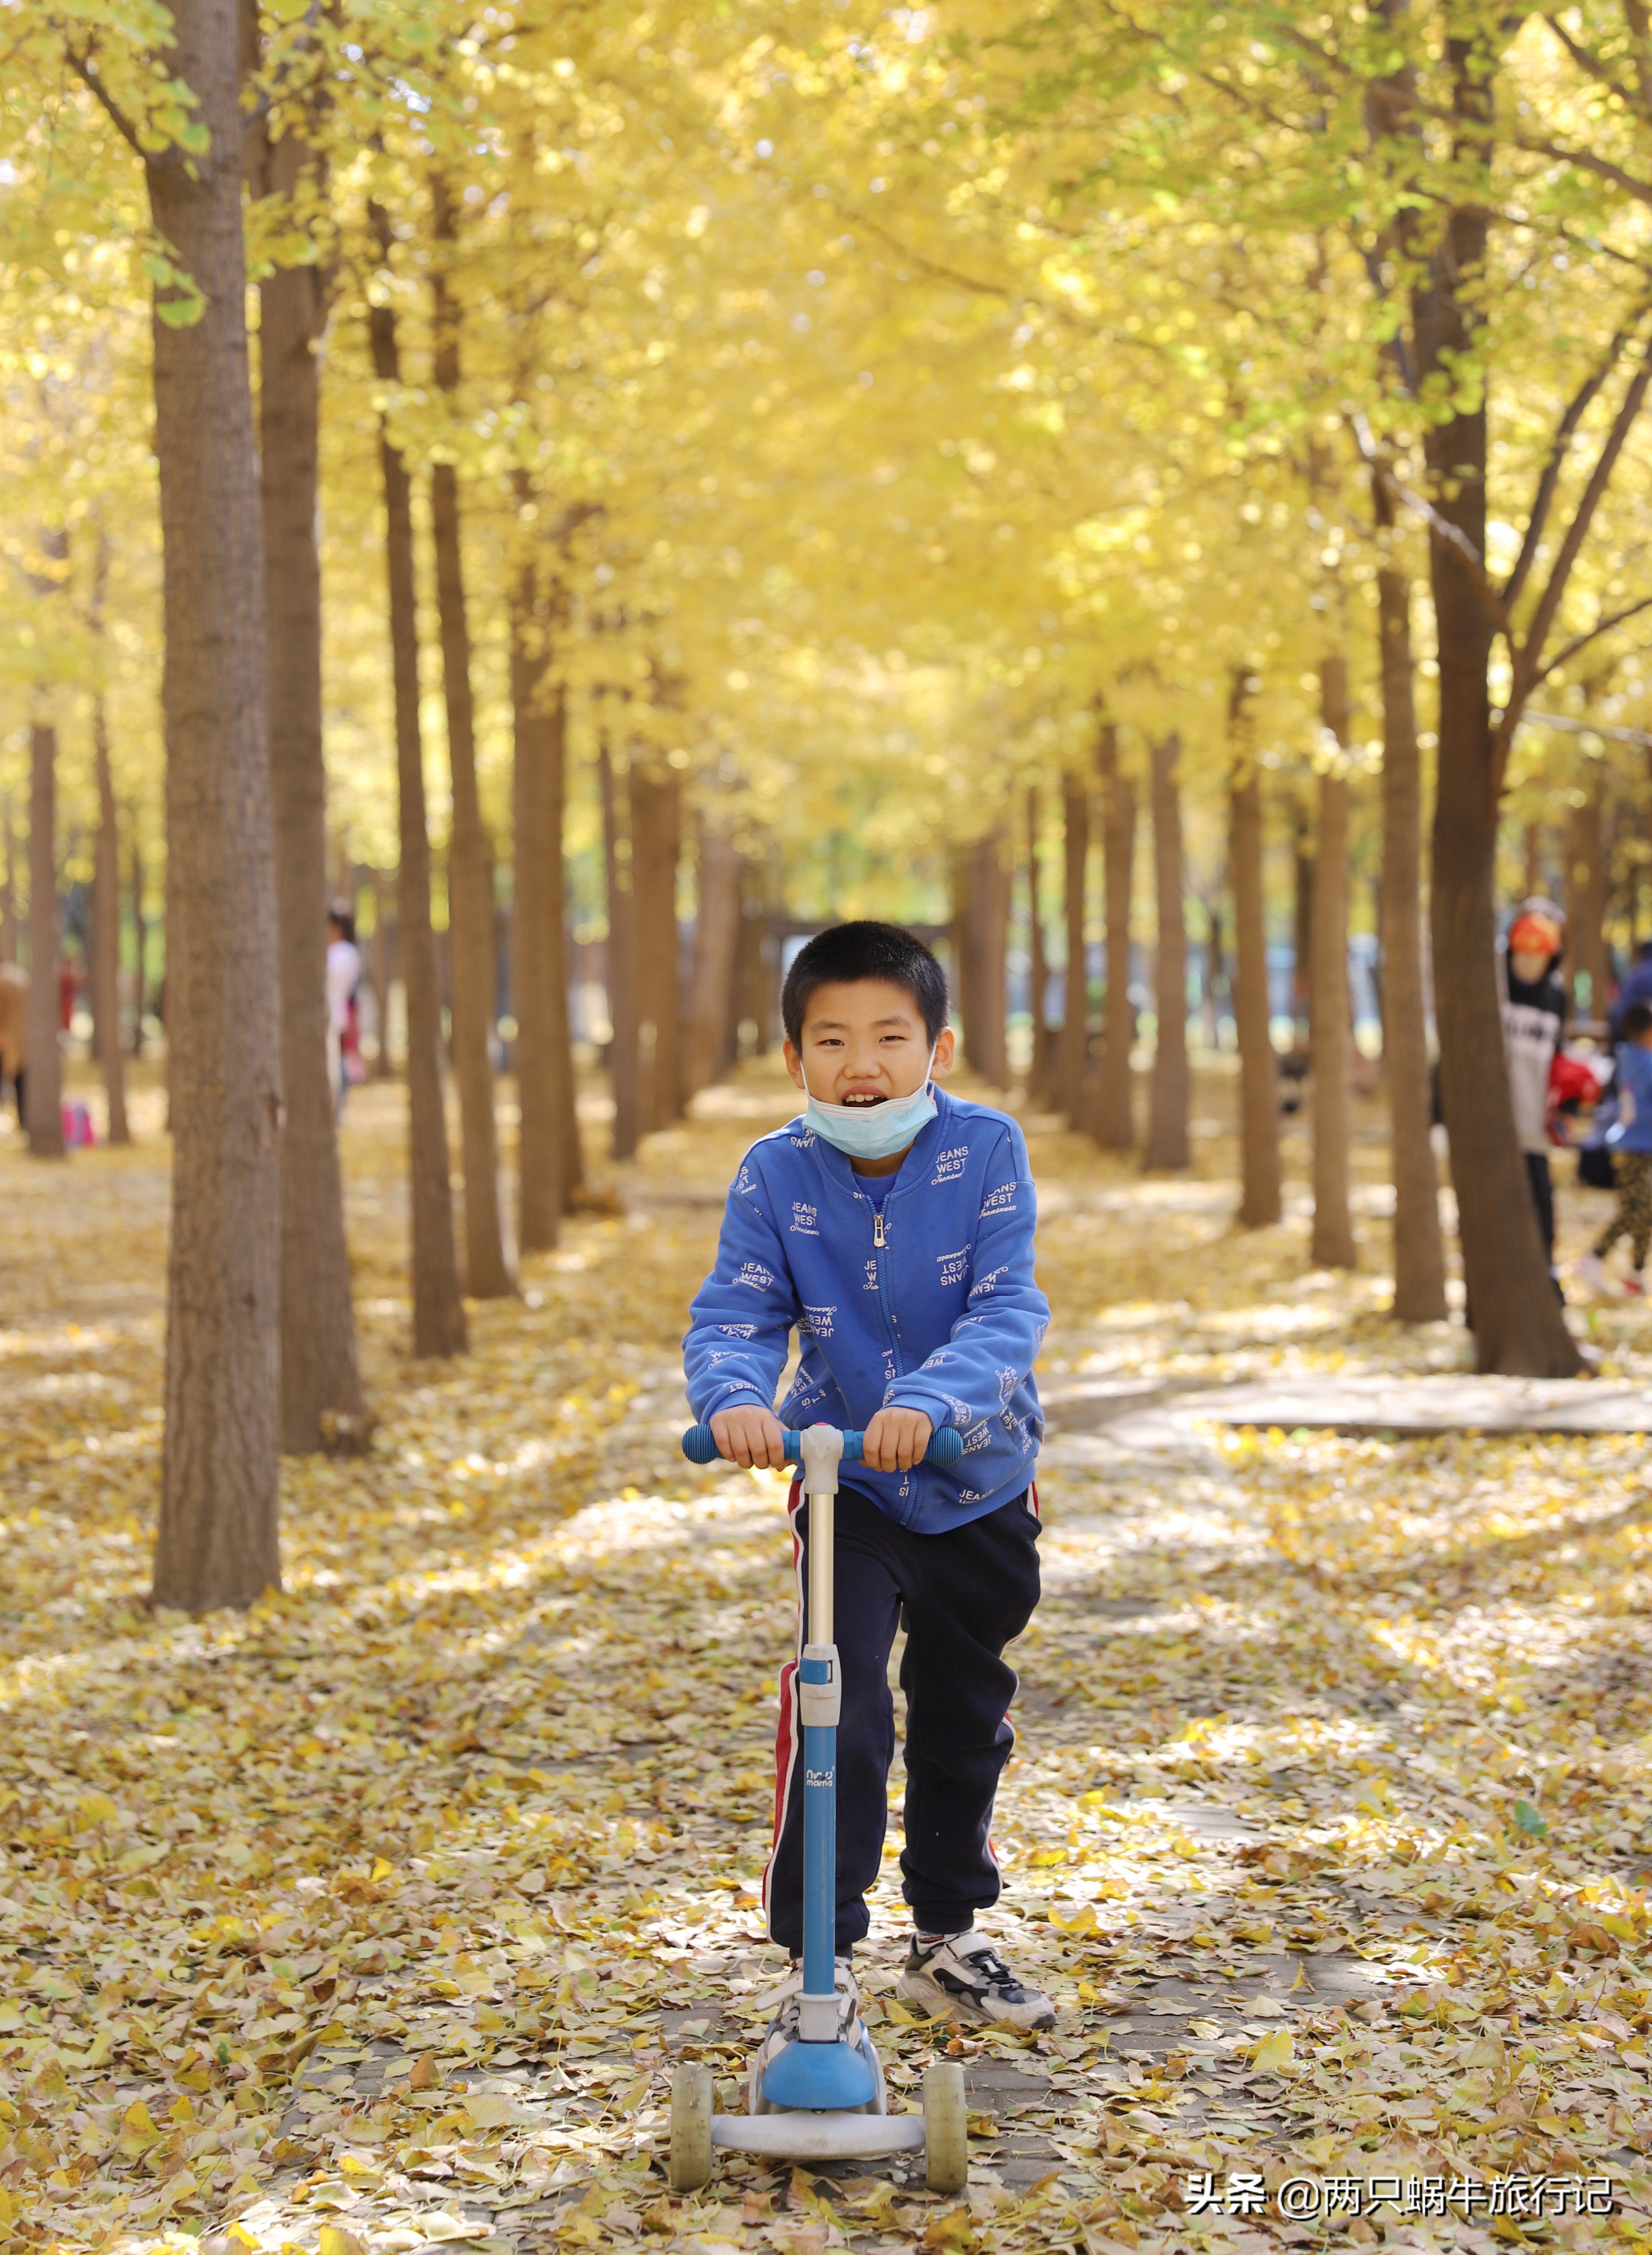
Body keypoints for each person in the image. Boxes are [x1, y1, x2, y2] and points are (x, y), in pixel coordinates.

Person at [684, 921, 1054, 2060]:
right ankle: (818, 1958)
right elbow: (735, 1312)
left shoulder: (987, 1149)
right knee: (832, 1703)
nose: (862, 1062)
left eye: (889, 1036)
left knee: (962, 1715)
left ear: (935, 1047)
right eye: (832, 1038)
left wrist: (933, 1403)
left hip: (979, 1483)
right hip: (844, 1489)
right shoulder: (775, 1169)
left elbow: (1006, 1309)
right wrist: (736, 1398)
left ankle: (946, 1933)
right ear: (794, 1057)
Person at [1501, 898, 1569, 1287]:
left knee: (1542, 1214)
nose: (1529, 964)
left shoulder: (1556, 998)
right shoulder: (1492, 987)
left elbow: (1556, 1060)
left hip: (1534, 1130)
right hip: (1493, 1128)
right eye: (1523, 954)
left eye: (1538, 955)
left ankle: (1547, 1293)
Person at [1578, 1000, 1652, 1298]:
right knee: (1636, 1211)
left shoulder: (1627, 1059)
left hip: (1633, 1144)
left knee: (1643, 1211)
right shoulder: (1643, 1063)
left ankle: (1635, 1272)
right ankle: (1594, 1259)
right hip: (1635, 1146)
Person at [326, 903, 362, 1120]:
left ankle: (338, 1107)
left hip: (336, 1014)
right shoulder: (338, 952)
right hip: (336, 1013)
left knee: (338, 1062)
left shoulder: (344, 953)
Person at [0, 960, 25, 1126]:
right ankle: (25, 1122)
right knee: (21, 1082)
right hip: (21, 1039)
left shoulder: (4, 981)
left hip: (6, 1040)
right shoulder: (20, 975)